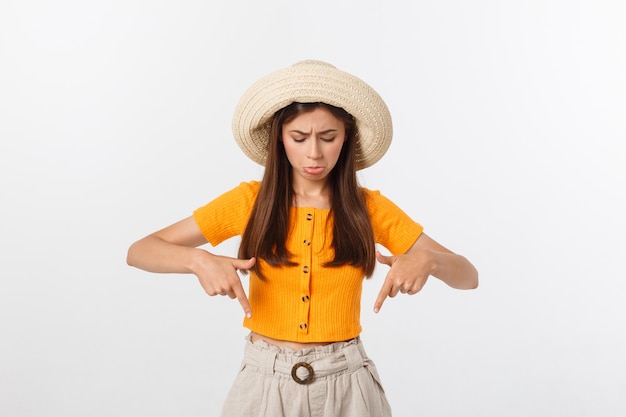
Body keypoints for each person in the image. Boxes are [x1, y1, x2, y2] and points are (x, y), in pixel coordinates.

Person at [127, 60, 478, 417]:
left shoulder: (369, 208)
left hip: (348, 386)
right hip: (264, 382)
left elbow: (469, 276)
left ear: (346, 138)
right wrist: (197, 260)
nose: (314, 153)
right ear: (280, 138)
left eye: (328, 138)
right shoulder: (249, 202)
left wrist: (430, 261)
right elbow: (139, 251)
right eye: (299, 138)